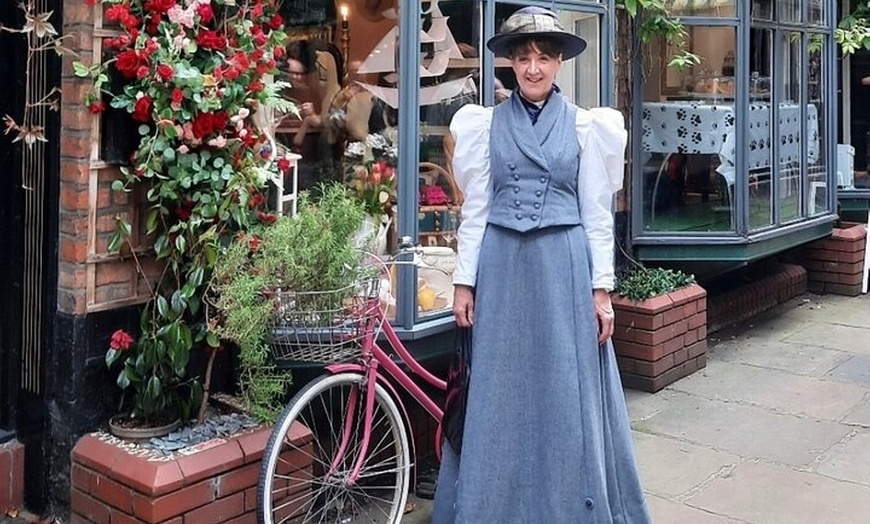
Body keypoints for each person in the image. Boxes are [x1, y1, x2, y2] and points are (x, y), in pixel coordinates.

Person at [432, 7, 652, 524]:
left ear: (558, 63)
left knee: (564, 384)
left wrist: (602, 290)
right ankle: (495, 507)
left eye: (544, 58)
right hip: (503, 267)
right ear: (508, 63)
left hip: (562, 267)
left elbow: (596, 214)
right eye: (523, 57)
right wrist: (465, 281)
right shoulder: (483, 126)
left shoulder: (585, 126)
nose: (533, 68)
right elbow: (477, 209)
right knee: (499, 388)